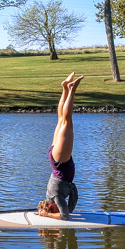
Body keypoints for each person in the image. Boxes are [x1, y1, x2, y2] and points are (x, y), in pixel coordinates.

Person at [38, 72, 83, 219]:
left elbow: (65, 216)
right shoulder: (51, 196)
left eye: (54, 209)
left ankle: (71, 89)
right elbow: (73, 198)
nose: (58, 207)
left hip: (61, 161)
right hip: (56, 158)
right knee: (61, 120)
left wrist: (48, 215)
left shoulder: (55, 197)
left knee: (67, 121)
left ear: (51, 206)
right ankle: (65, 88)